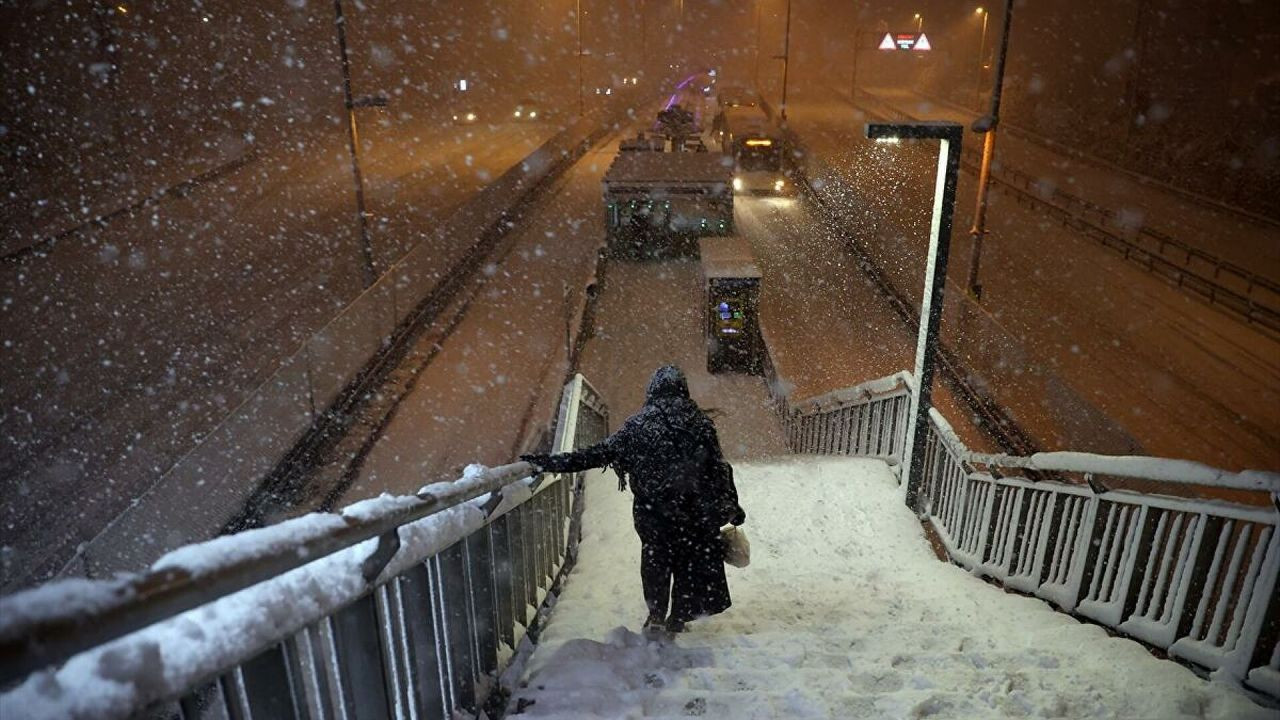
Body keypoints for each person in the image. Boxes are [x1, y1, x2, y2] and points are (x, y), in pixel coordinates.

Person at [522, 365, 745, 633]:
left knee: (655, 561)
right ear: (683, 390)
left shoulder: (638, 425)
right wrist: (731, 507)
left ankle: (656, 615)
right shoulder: (699, 423)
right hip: (693, 514)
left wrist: (548, 463)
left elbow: (595, 455)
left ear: (652, 391)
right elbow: (718, 469)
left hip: (654, 514)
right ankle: (678, 617)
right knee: (688, 561)